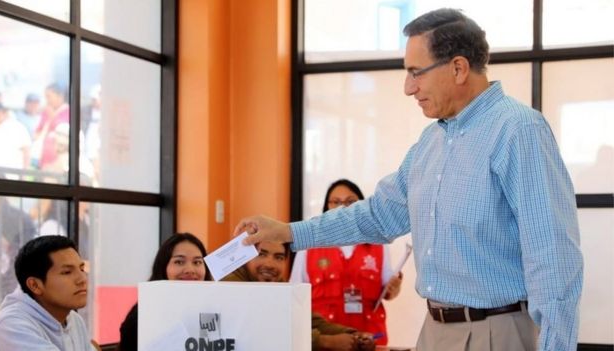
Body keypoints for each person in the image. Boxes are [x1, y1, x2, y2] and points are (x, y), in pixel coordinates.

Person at [234, 8, 583, 351]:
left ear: (458, 68)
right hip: (433, 331)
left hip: (496, 333)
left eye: (416, 72)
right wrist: (288, 232)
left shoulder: (518, 131)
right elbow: (376, 215)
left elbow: (553, 258)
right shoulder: (430, 142)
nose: (407, 87)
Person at [290, 179, 402, 345]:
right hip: (326, 342)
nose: (343, 207)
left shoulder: (379, 244)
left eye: (350, 201)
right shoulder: (309, 245)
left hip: (369, 340)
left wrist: (394, 288)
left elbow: (388, 292)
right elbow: (295, 298)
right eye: (335, 202)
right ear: (326, 207)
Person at [223, 241, 375, 351]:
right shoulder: (230, 285)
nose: (270, 264)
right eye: (262, 254)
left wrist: (354, 335)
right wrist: (325, 341)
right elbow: (262, 332)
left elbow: (308, 320)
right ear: (245, 256)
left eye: (279, 257)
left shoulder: (277, 284)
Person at [0, 235, 96, 350]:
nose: (82, 279)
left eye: (81, 269)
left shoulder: (74, 319)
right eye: (67, 272)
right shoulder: (11, 326)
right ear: (34, 285)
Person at [117, 233, 212, 351]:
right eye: (179, 262)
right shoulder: (142, 315)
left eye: (197, 262)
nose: (190, 270)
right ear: (163, 266)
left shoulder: (215, 306)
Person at [32, 83, 69, 169]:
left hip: (58, 158)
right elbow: (38, 129)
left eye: (49, 96)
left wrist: (52, 115)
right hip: (42, 155)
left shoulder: (68, 111)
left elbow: (62, 128)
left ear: (60, 96)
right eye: (46, 97)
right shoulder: (45, 112)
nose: (47, 100)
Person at [0, 100, 32, 177]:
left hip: (10, 176)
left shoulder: (16, 127)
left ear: (0, 112)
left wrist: (24, 175)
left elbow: (26, 151)